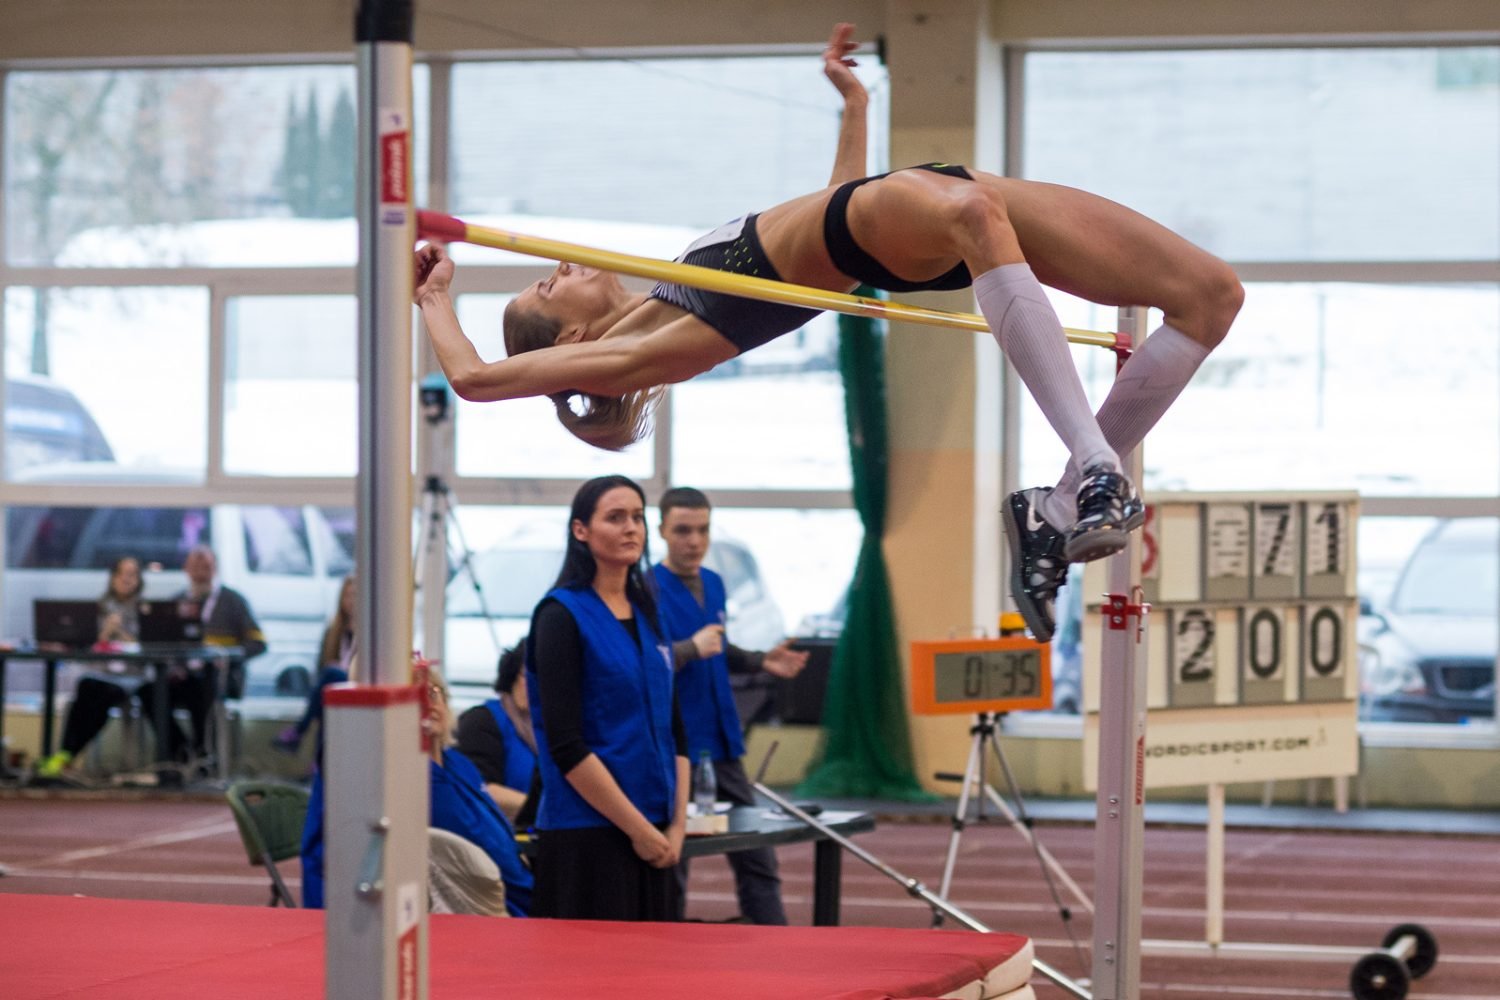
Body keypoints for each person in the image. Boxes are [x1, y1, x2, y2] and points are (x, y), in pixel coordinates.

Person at [412, 22, 1243, 643]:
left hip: (896, 208)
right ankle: (1097, 472)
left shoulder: (676, 285)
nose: (558, 269)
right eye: (547, 286)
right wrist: (435, 300)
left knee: (1212, 295)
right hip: (912, 215)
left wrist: (855, 104)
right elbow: (477, 381)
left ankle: (1057, 508)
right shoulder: (652, 346)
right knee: (969, 211)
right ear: (571, 339)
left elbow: (832, 203)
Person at [525, 474, 689, 921]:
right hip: (588, 834)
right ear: (581, 530)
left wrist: (676, 828)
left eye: (637, 517)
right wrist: (638, 830)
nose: (631, 528)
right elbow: (565, 744)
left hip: (657, 835)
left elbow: (675, 730)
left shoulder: (649, 613)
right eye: (615, 518)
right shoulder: (560, 616)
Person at [652, 486, 808, 925]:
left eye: (702, 530)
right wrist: (686, 649)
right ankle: (663, 947)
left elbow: (720, 646)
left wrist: (763, 660)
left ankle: (773, 940)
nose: (694, 541)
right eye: (683, 530)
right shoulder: (647, 588)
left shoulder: (715, 583)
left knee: (755, 849)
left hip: (722, 740)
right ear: (662, 530)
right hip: (676, 746)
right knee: (675, 855)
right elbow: (642, 659)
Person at [299, 664, 534, 917]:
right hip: (476, 906)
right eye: (415, 694)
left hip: (510, 889)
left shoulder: (458, 762)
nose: (428, 703)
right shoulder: (390, 771)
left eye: (434, 693)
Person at [137, 544, 267, 770]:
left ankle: (205, 757)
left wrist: (227, 656)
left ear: (215, 568)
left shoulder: (233, 601)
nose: (200, 570)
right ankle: (179, 754)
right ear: (186, 568)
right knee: (150, 693)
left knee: (203, 689)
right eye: (194, 565)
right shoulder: (175, 603)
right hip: (182, 676)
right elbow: (162, 645)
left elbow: (258, 643)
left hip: (220, 678)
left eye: (205, 565)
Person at [34, 556, 145, 778]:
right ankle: (65, 755)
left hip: (133, 677)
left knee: (100, 698)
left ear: (139, 580)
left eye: (132, 574)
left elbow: (145, 649)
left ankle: (68, 755)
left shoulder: (147, 611)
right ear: (113, 577)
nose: (127, 579)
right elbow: (89, 647)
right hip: (103, 673)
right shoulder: (98, 608)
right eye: (122, 573)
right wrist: (106, 631)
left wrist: (121, 631)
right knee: (85, 691)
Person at [272, 574, 356, 760]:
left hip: (355, 684)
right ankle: (319, 763)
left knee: (330, 674)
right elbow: (320, 666)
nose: (352, 601)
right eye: (348, 595)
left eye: (356, 596)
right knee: (326, 695)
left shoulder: (367, 633)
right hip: (333, 688)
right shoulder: (333, 631)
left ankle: (299, 731)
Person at [455, 642, 540, 827]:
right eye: (528, 676)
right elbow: (478, 788)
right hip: (501, 834)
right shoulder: (481, 720)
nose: (534, 685)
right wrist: (540, 809)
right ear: (512, 675)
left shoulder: (555, 727)